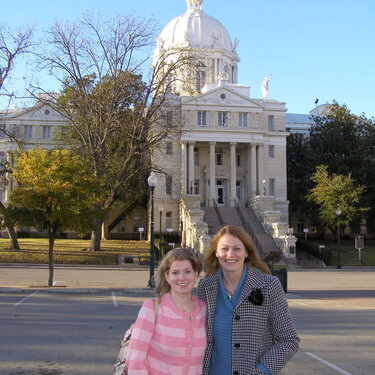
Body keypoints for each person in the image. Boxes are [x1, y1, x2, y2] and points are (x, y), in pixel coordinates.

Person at [197, 225, 299, 375]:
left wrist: (262, 370)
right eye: (224, 249)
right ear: (216, 253)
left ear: (246, 253)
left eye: (237, 249)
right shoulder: (206, 287)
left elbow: (288, 340)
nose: (230, 254)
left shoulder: (269, 285)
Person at [126, 248, 207, 375]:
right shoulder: (152, 308)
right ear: (167, 276)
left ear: (196, 274)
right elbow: (135, 360)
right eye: (175, 273)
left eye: (187, 271)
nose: (181, 277)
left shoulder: (205, 309)